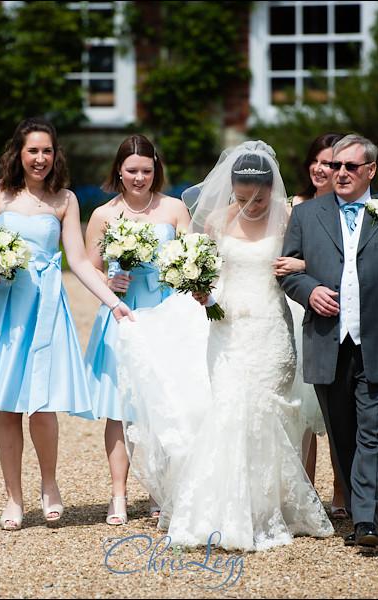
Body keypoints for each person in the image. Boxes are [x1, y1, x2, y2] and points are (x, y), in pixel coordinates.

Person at [116, 140, 334, 552]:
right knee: (231, 409)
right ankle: (226, 511)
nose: (252, 205)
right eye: (242, 197)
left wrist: (301, 264)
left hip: (271, 329)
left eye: (260, 197)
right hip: (227, 330)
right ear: (230, 189)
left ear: (274, 190)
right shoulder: (214, 220)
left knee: (269, 412)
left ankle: (267, 508)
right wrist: (201, 288)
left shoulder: (289, 217)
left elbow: (322, 261)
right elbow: (203, 266)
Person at [0, 117, 133, 531]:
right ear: (18, 154)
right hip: (3, 306)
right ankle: (13, 498)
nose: (39, 159)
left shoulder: (65, 200)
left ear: (54, 154)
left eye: (46, 151)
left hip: (45, 307)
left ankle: (49, 484)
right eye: (32, 151)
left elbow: (78, 260)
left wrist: (113, 301)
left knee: (42, 406)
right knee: (7, 404)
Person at [278, 133, 378, 549]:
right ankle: (361, 502)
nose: (340, 173)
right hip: (328, 341)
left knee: (375, 429)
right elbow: (287, 273)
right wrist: (309, 289)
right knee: (343, 434)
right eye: (335, 166)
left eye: (350, 166)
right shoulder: (307, 216)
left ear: (369, 171)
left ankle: (368, 520)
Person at [82, 135, 191, 526]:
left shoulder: (175, 209)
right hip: (122, 313)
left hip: (166, 312)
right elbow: (88, 265)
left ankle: (160, 490)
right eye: (132, 171)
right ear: (119, 171)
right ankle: (118, 495)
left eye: (146, 170)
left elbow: (193, 258)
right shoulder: (103, 214)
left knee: (165, 403)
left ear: (155, 168)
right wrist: (111, 282)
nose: (139, 178)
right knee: (120, 408)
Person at [273, 132, 349, 519]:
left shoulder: (349, 207)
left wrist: (306, 265)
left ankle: (342, 490)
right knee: (303, 412)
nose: (322, 169)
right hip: (298, 308)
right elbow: (281, 262)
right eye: (317, 161)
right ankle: (307, 492)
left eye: (331, 163)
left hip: (339, 309)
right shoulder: (292, 207)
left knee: (333, 412)